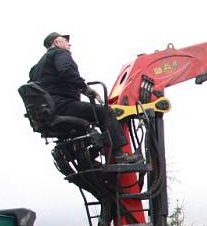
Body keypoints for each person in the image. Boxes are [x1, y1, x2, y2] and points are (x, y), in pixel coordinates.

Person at [29, 32, 141, 164]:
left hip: (49, 109)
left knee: (89, 117)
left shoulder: (35, 68)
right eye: (65, 41)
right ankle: (120, 155)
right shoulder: (60, 53)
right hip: (63, 105)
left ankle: (89, 154)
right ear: (56, 43)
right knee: (105, 112)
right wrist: (86, 89)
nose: (69, 44)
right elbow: (67, 71)